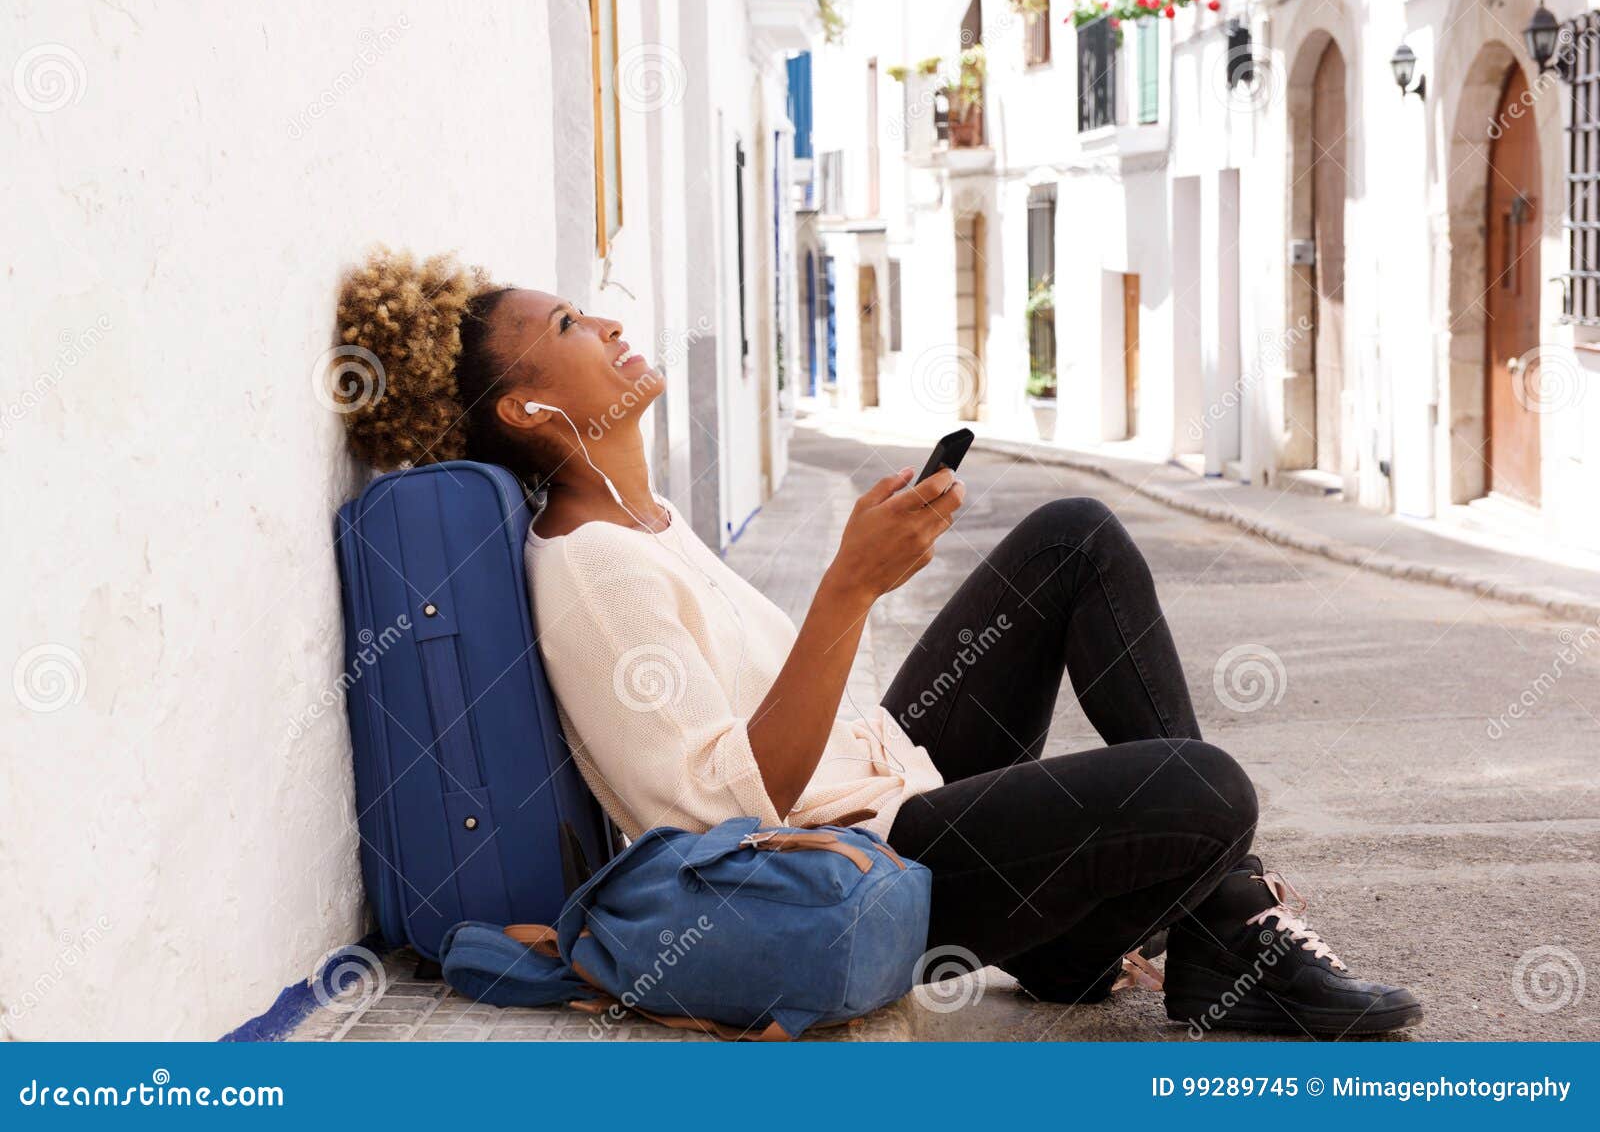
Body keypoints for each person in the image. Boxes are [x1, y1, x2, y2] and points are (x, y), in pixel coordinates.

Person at [335, 248, 1422, 1036]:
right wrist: (849, 588)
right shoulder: (592, 565)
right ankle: (1225, 925)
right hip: (878, 868)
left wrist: (858, 580)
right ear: (527, 411)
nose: (611, 326)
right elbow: (725, 813)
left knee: (1071, 537)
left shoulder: (648, 525)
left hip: (899, 788)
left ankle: (1172, 927)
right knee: (1205, 789)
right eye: (573, 327)